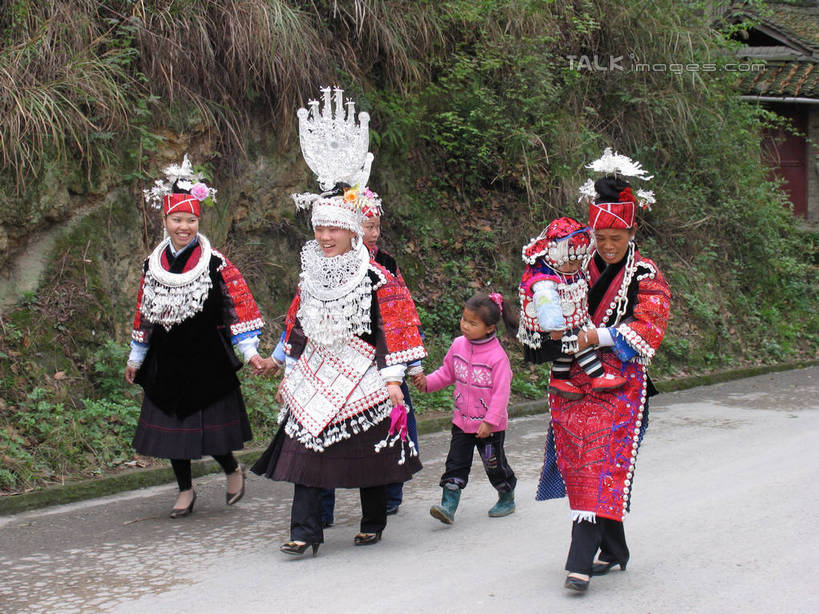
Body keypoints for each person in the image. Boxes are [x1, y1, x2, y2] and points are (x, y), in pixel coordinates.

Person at [252, 88, 425, 556]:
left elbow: (393, 328)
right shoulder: (310, 268)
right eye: (319, 229)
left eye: (334, 229)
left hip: (366, 369)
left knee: (368, 451)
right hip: (316, 369)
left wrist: (392, 379)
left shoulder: (378, 277)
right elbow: (301, 321)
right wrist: (288, 365)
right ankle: (304, 531)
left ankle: (372, 520)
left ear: (353, 231)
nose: (325, 237)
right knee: (306, 445)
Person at [535, 149, 671, 592]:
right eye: (601, 235)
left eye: (617, 236)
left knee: (599, 462)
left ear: (633, 230)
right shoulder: (571, 265)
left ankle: (579, 560)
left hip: (620, 383)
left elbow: (648, 326)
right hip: (570, 380)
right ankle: (614, 549)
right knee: (584, 464)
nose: (608, 244)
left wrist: (600, 336)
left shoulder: (645, 273)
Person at [125, 155, 265, 518]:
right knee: (175, 431)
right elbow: (145, 312)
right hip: (165, 357)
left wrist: (250, 352)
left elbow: (239, 307)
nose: (183, 227)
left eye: (190, 220)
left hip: (206, 358)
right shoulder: (152, 264)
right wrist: (136, 357)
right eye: (176, 219)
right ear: (165, 221)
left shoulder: (215, 263)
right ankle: (185, 489)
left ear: (198, 221)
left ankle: (232, 468)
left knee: (210, 432)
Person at [318, 190, 423, 525]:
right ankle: (321, 508)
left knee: (392, 425)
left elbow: (401, 315)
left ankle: (390, 495)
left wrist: (412, 362)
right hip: (336, 361)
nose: (374, 233)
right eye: (368, 225)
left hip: (382, 361)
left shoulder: (385, 263)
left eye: (377, 226)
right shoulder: (323, 265)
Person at [412, 293, 517, 523]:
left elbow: (501, 394)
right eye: (464, 319)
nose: (465, 326)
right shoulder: (458, 345)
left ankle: (506, 495)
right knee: (455, 463)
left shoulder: (497, 358)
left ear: (489, 328)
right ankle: (448, 506)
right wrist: (427, 382)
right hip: (462, 421)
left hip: (489, 427)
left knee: (494, 466)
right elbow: (447, 373)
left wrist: (489, 422)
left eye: (472, 323)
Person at [518, 217, 627, 399]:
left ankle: (560, 378)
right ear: (553, 254)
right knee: (578, 344)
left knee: (568, 348)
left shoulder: (565, 272)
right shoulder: (544, 279)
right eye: (569, 262)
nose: (574, 267)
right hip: (554, 328)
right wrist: (554, 327)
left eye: (577, 262)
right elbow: (547, 304)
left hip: (567, 323)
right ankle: (598, 376)